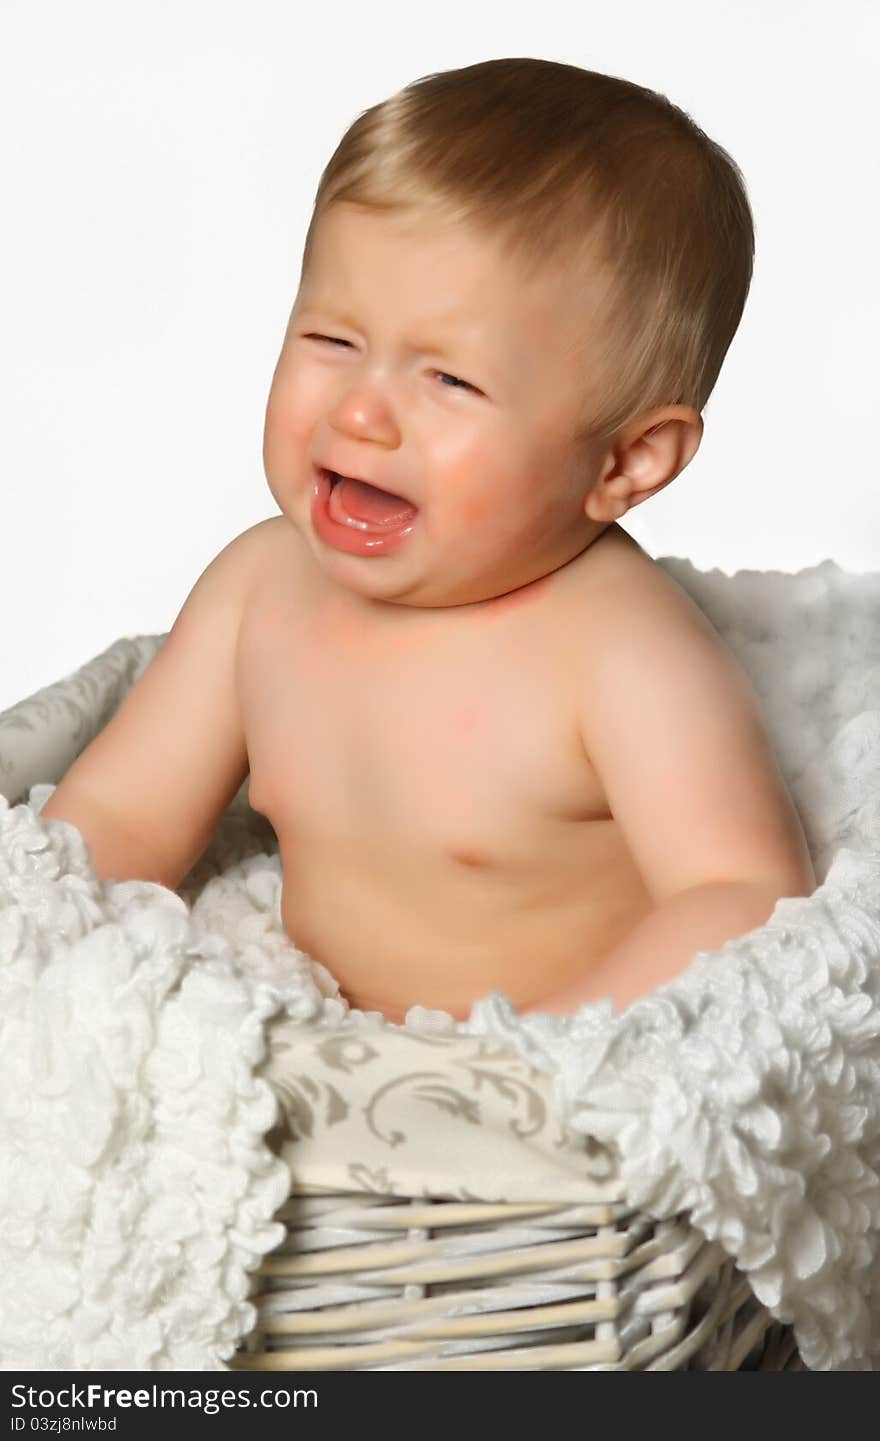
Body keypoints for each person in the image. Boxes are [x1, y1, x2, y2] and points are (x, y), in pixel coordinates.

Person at [41, 58, 816, 1024]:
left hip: (532, 1109)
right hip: (316, 1064)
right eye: (332, 340)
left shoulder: (621, 653)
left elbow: (745, 900)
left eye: (449, 379)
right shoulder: (258, 589)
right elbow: (118, 819)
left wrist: (531, 1067)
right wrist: (42, 947)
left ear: (626, 460)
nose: (361, 411)